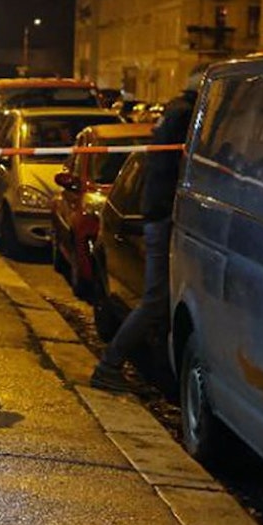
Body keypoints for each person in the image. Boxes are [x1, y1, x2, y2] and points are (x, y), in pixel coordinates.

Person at [89, 69, 200, 394]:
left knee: (163, 302)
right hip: (164, 216)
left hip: (158, 213)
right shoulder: (185, 115)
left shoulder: (174, 111)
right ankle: (109, 365)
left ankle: (163, 375)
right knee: (156, 300)